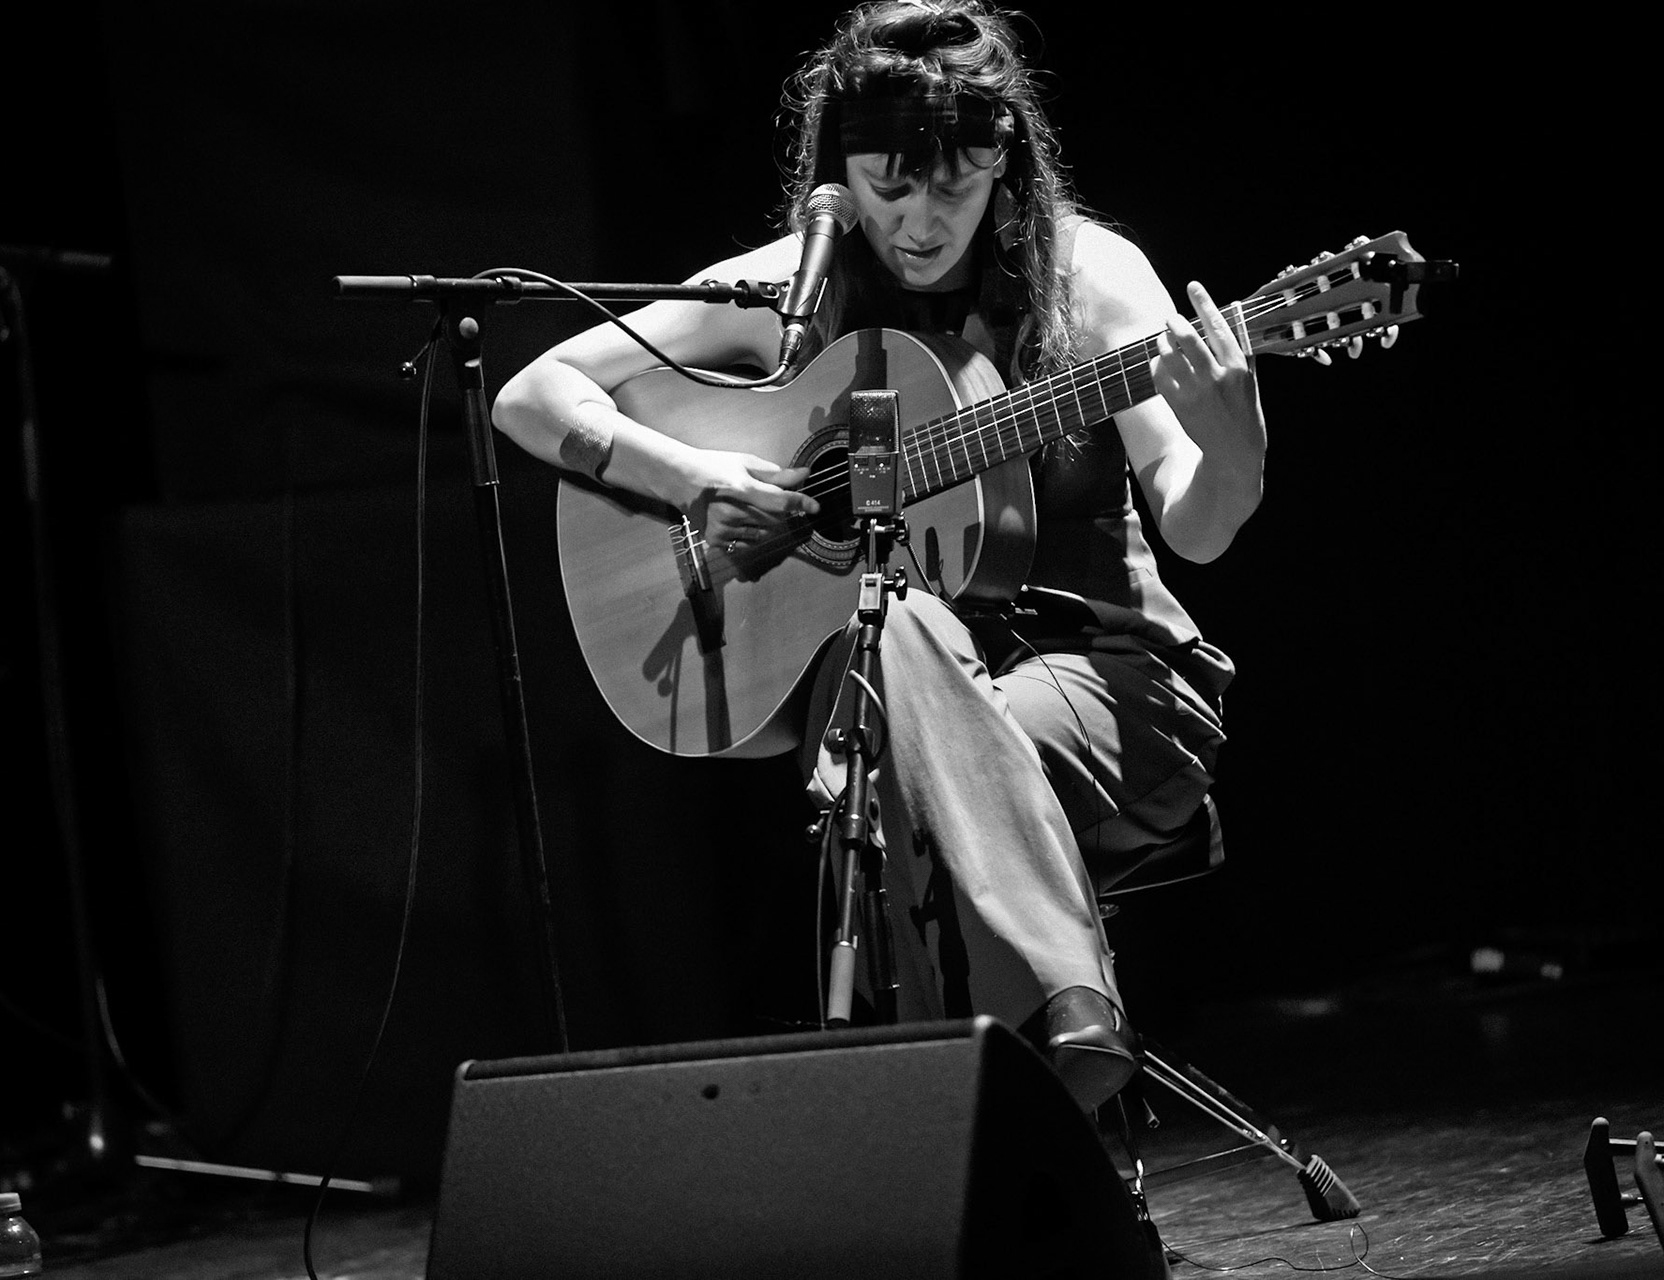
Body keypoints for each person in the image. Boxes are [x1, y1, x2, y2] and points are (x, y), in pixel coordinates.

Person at [492, 0, 1265, 1114]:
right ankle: (1062, 1060)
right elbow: (535, 393)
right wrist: (693, 477)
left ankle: (974, 1140)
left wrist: (1235, 438)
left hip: (1106, 676)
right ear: (837, 173)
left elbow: (1197, 522)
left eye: (949, 185)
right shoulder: (792, 288)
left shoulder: (1089, 280)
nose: (913, 221)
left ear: (1004, 160)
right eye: (884, 185)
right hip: (893, 685)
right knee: (894, 641)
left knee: (882, 778)